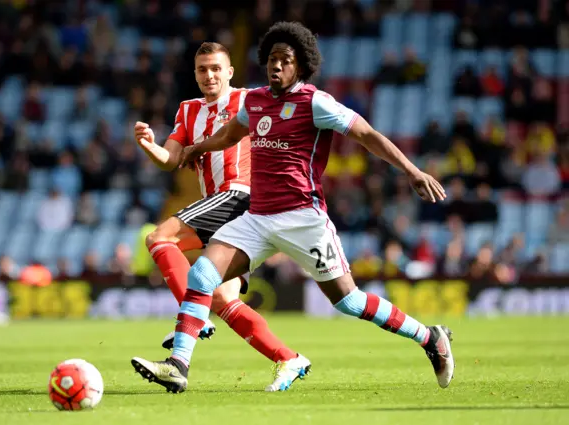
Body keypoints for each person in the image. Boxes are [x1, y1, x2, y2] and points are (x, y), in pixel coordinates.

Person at [132, 22, 455, 394]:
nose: (276, 67)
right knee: (203, 276)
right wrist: (195, 149)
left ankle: (429, 337)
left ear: (300, 66)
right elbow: (228, 135)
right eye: (271, 59)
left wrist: (412, 172)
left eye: (285, 60)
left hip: (303, 219)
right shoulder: (254, 102)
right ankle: (178, 366)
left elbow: (367, 134)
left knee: (348, 300)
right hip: (256, 218)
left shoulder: (315, 102)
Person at [130, 42, 306, 392]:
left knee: (158, 237)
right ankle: (289, 357)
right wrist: (150, 145)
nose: (209, 75)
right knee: (224, 299)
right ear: (195, 74)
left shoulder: (249, 100)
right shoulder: (187, 110)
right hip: (224, 207)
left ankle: (191, 317)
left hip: (239, 195)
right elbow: (171, 159)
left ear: (229, 71)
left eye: (215, 68)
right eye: (202, 69)